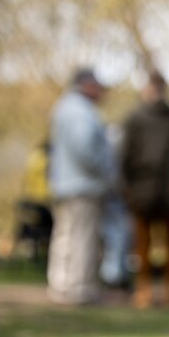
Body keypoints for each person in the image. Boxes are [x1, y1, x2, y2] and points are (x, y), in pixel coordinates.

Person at [48, 66, 115, 305]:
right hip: (83, 185)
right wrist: (104, 170)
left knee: (66, 235)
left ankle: (61, 285)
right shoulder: (81, 111)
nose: (100, 92)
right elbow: (85, 148)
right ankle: (79, 288)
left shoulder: (64, 107)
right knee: (83, 238)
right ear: (87, 85)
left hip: (66, 184)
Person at [119, 70, 169, 308]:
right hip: (155, 189)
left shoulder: (158, 119)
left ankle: (157, 289)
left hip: (155, 189)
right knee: (153, 242)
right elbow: (125, 157)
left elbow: (125, 157)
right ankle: (156, 289)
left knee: (156, 242)